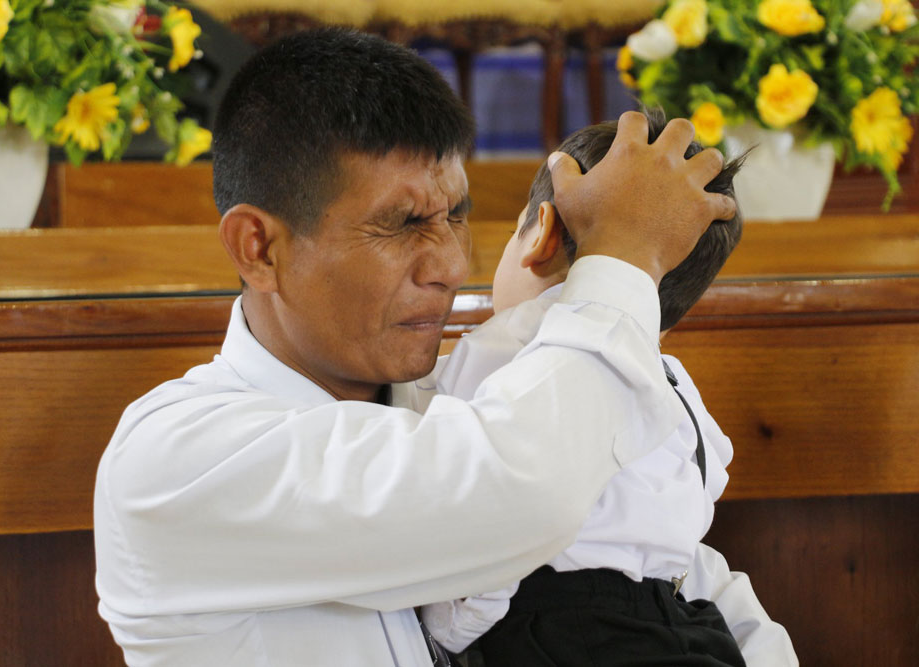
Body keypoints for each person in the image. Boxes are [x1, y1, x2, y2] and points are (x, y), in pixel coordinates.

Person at [93, 28, 736, 666]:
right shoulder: (173, 458)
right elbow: (514, 496)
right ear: (259, 248)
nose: (451, 265)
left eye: (455, 215)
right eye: (403, 224)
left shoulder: (476, 396)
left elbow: (676, 567)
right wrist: (624, 257)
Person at [420, 112, 797, 666]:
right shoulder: (673, 380)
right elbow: (710, 469)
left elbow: (481, 510)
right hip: (685, 624)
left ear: (541, 234)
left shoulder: (507, 345)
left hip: (555, 627)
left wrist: (454, 626)